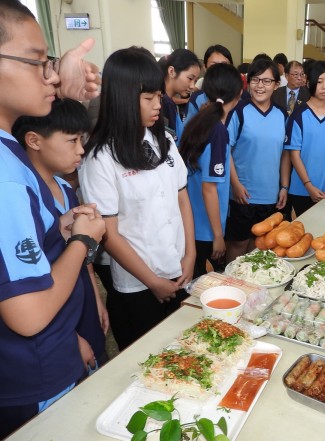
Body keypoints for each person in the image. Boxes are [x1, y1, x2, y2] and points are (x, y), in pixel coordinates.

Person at [0, 0, 104, 439]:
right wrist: (81, 240)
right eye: (38, 62)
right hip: (35, 369)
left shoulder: (13, 154)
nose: (52, 76)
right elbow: (28, 313)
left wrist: (60, 230)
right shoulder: (5, 175)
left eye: (51, 63)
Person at [79, 46, 196, 351]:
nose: (158, 104)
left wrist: (191, 255)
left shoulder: (164, 141)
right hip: (138, 284)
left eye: (159, 96)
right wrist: (152, 280)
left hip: (178, 269)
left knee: (182, 352)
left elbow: (182, 199)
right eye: (148, 98)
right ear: (123, 98)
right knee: (147, 358)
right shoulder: (101, 157)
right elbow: (109, 234)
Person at [12, 98, 109, 375]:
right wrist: (69, 338)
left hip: (78, 297)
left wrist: (96, 297)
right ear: (34, 140)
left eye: (82, 139)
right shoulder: (23, 199)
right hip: (55, 316)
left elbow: (82, 257)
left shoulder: (66, 189)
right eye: (71, 141)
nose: (81, 150)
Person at [179, 63, 243, 276]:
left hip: (191, 223)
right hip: (205, 230)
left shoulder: (199, 121)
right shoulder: (218, 132)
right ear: (238, 94)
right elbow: (209, 188)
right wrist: (218, 235)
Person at [225, 59, 289, 262]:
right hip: (243, 195)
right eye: (255, 80)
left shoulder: (281, 115)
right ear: (248, 82)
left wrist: (284, 186)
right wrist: (235, 185)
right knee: (238, 245)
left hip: (270, 195)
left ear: (276, 85)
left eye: (267, 81)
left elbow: (285, 153)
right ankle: (232, 287)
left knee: (260, 245)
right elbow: (226, 150)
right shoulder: (239, 112)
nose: (260, 86)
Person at [285, 60, 325, 217]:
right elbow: (294, 155)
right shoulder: (298, 115)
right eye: (319, 82)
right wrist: (308, 186)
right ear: (309, 83)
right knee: (304, 234)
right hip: (302, 190)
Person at [158, 49, 201, 142]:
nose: (192, 86)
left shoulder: (168, 102)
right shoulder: (165, 103)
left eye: (195, 81)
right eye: (190, 78)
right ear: (171, 71)